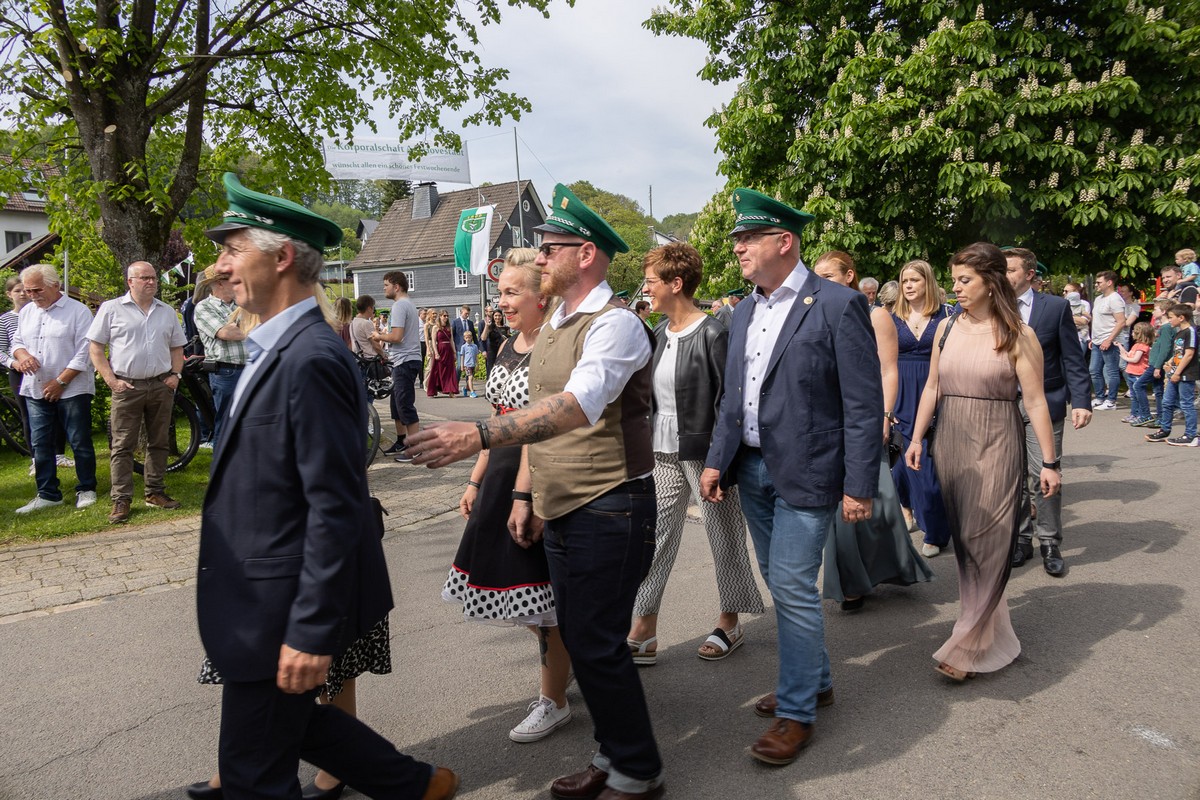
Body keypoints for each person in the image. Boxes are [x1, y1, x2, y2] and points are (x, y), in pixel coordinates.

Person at [195, 172, 457, 800]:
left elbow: (334, 506)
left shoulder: (311, 358)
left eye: (232, 250)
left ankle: (415, 785)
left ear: (282, 257)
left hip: (279, 604)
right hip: (257, 601)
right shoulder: (274, 347)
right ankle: (415, 785)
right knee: (294, 726)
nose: (219, 267)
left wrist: (310, 630)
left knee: (255, 772)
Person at [407, 183, 664, 800]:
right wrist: (526, 497)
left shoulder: (616, 324)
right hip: (564, 505)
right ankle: (613, 754)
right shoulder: (558, 322)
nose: (539, 258)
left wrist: (478, 436)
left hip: (611, 504)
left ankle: (637, 770)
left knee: (597, 643)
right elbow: (536, 416)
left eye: (551, 249)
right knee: (581, 637)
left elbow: (574, 406)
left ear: (586, 255)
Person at [699, 188, 883, 766]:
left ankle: (798, 710)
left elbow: (863, 404)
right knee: (781, 583)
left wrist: (859, 485)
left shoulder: (836, 304)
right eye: (736, 239)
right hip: (751, 468)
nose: (737, 248)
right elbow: (733, 396)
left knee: (794, 586)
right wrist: (717, 458)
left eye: (747, 238)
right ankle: (816, 680)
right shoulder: (743, 310)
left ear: (784, 241)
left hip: (809, 471)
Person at [905, 242, 1061, 682]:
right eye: (953, 279)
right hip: (951, 441)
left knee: (989, 540)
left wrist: (1050, 462)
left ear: (991, 283)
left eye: (964, 280)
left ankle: (968, 642)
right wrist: (916, 438)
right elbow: (932, 387)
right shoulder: (946, 328)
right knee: (968, 543)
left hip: (997, 441)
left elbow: (1035, 402)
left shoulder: (1018, 334)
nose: (955, 288)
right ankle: (987, 628)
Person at [441, 247, 575, 744]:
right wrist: (475, 480)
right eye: (500, 293)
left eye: (511, 292)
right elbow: (495, 420)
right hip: (501, 479)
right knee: (523, 597)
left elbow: (541, 430)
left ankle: (554, 700)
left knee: (542, 598)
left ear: (543, 297)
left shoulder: (554, 347)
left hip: (533, 480)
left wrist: (525, 495)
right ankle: (567, 669)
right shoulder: (507, 344)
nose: (501, 302)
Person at [626, 242, 764, 666]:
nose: (645, 288)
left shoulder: (713, 333)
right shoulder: (657, 333)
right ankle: (644, 628)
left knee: (724, 537)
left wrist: (718, 462)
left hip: (705, 455)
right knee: (654, 538)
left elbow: (729, 402)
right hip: (661, 451)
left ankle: (729, 621)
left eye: (650, 281)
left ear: (676, 283)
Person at [807, 251, 931, 613]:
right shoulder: (815, 311)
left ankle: (876, 571)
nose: (821, 283)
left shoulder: (876, 315)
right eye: (817, 277)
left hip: (865, 416)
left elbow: (889, 370)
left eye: (829, 276)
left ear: (849, 276)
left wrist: (885, 415)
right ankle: (853, 580)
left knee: (873, 499)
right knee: (841, 502)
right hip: (828, 417)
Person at [1003, 248, 1092, 577]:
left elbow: (1072, 357)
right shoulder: (992, 306)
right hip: (1002, 404)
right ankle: (1021, 539)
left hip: (1046, 402)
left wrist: (1081, 400)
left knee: (1045, 473)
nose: (1003, 276)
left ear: (1029, 274)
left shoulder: (1055, 307)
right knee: (1012, 477)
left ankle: (1050, 542)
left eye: (1009, 270)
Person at [87, 261, 187, 524]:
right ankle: (121, 499)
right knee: (122, 445)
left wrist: (175, 375)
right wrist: (111, 380)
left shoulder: (166, 311)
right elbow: (95, 348)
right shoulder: (111, 309)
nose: (151, 282)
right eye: (144, 278)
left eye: (153, 277)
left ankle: (155, 492)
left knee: (159, 442)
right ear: (130, 281)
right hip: (127, 386)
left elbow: (177, 347)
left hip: (160, 384)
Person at [10, 264, 98, 514]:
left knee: (79, 440)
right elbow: (17, 341)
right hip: (36, 387)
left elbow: (85, 352)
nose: (32, 295)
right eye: (28, 290)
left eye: (37, 290)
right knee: (40, 442)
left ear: (56, 285)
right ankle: (48, 494)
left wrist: (60, 382)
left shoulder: (78, 311)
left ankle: (86, 488)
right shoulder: (27, 312)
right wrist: (23, 355)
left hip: (73, 388)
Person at [889, 259, 953, 557]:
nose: (909, 286)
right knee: (902, 467)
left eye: (915, 280)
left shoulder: (947, 315)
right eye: (905, 281)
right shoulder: (892, 317)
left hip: (934, 391)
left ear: (928, 282)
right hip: (900, 394)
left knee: (928, 471)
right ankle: (910, 511)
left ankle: (936, 532)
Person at [194, 266, 249, 448]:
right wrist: (252, 328)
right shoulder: (204, 307)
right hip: (226, 372)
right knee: (227, 422)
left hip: (249, 369)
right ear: (219, 283)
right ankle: (222, 462)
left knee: (250, 420)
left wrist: (240, 327)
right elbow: (227, 333)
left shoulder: (241, 305)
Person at [371, 272, 422, 461]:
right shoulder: (407, 304)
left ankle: (415, 448)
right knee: (396, 404)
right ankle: (402, 441)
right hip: (404, 360)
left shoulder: (400, 305)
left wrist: (378, 336)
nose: (384, 288)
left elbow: (396, 337)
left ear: (396, 286)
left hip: (405, 360)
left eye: (386, 285)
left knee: (404, 404)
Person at [1145, 303, 1199, 446]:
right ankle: (1165, 429)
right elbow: (1178, 353)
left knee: (1186, 404)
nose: (1169, 320)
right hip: (1174, 373)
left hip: (1185, 374)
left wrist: (1178, 372)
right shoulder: (1179, 332)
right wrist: (1169, 362)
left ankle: (1191, 435)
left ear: (1181, 318)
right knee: (1167, 402)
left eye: (1171, 317)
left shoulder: (1190, 331)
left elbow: (1189, 354)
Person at [1090, 270, 1128, 410]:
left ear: (1109, 282)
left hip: (1110, 341)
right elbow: (1098, 320)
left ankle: (1111, 400)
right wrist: (1093, 338)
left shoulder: (1115, 299)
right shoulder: (1098, 299)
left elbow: (1121, 322)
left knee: (1112, 371)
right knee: (1094, 370)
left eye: (1099, 282)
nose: (1096, 285)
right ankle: (1100, 397)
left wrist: (1109, 340)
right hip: (1097, 340)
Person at [1120, 322, 1155, 426]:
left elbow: (1135, 359)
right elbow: (1129, 355)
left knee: (1138, 395)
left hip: (1138, 373)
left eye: (1134, 331)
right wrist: (1120, 347)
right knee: (1133, 396)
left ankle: (1142, 414)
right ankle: (1134, 414)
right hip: (1131, 372)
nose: (1132, 333)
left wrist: (1124, 358)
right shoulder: (1136, 345)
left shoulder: (1142, 347)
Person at [425, 310, 461, 398]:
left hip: (448, 350)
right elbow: (433, 341)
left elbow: (452, 340)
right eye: (444, 316)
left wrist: (454, 352)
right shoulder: (435, 327)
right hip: (440, 350)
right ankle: (433, 391)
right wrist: (436, 353)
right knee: (437, 370)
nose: (446, 317)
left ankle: (451, 391)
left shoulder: (449, 327)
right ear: (440, 316)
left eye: (447, 316)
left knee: (450, 371)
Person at [480, 309, 509, 377]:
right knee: (491, 370)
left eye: (499, 315)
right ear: (493, 316)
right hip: (492, 351)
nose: (497, 317)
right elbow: (483, 338)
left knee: (502, 369)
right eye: (496, 315)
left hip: (502, 351)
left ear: (502, 316)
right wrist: (486, 326)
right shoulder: (490, 327)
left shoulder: (506, 328)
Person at [450, 305, 477, 371]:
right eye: (466, 313)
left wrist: (477, 345)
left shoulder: (470, 323)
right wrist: (453, 347)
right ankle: (456, 378)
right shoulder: (455, 322)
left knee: (469, 365)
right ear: (461, 312)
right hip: (459, 347)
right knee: (459, 366)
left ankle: (468, 377)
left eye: (468, 314)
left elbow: (474, 335)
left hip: (469, 347)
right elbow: (451, 335)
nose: (467, 315)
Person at [458, 331, 479, 398]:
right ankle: (472, 392)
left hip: (473, 364)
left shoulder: (475, 346)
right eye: (466, 338)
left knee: (470, 379)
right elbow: (462, 356)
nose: (468, 339)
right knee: (470, 377)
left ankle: (465, 388)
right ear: (464, 338)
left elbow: (476, 356)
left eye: (469, 337)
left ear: (471, 337)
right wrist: (462, 365)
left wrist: (477, 364)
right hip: (467, 365)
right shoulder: (463, 347)